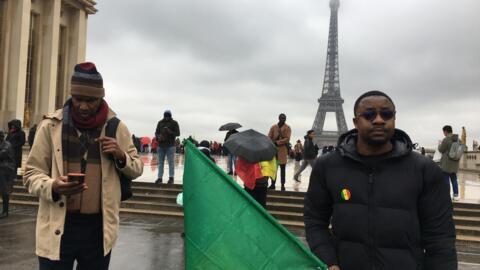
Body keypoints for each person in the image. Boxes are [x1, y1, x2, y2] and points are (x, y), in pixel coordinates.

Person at [304, 90, 457, 270]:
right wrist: (329, 261)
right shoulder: (327, 166)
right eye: (369, 114)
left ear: (394, 118)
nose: (378, 120)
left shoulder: (425, 170)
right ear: (355, 122)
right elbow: (315, 220)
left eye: (386, 114)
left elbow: (440, 239)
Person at [23, 62, 143, 269]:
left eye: (91, 100)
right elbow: (31, 174)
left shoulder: (116, 127)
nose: (84, 106)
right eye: (78, 99)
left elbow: (137, 167)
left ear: (101, 98)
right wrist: (52, 186)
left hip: (98, 229)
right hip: (57, 225)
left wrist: (120, 155)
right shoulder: (51, 126)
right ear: (71, 95)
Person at [155, 109, 180, 184]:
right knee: (160, 163)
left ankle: (171, 178)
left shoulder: (174, 123)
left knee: (171, 162)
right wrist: (158, 137)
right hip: (161, 145)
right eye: (165, 116)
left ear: (170, 116)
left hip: (170, 145)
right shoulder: (160, 122)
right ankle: (159, 178)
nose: (166, 117)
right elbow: (156, 132)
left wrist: (170, 132)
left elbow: (178, 133)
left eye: (168, 116)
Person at [268, 113, 291, 191]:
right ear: (279, 118)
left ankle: (282, 185)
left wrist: (277, 142)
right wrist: (273, 142)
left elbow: (287, 139)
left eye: (284, 118)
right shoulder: (273, 127)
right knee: (273, 168)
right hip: (274, 150)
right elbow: (269, 137)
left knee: (282, 168)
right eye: (282, 118)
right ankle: (273, 184)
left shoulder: (287, 128)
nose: (283, 120)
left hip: (282, 150)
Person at [438, 125, 460, 200]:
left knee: (446, 180)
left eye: (443, 132)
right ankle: (456, 195)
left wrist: (439, 144)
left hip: (446, 164)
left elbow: (441, 150)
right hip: (455, 163)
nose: (443, 133)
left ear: (446, 131)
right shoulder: (458, 140)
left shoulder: (446, 139)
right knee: (454, 179)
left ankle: (447, 195)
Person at [0, 129, 15, 218]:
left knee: (4, 191)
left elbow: (2, 154)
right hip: (2, 168)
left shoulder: (7, 145)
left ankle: (5, 211)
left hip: (6, 170)